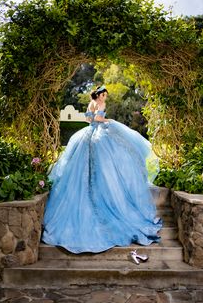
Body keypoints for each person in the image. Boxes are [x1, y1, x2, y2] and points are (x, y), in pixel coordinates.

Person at [42, 85, 162, 254]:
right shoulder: (100, 105)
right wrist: (108, 121)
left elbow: (88, 120)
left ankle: (92, 188)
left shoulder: (91, 103)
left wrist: (98, 120)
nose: (104, 97)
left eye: (105, 95)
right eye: (103, 95)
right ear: (98, 95)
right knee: (106, 161)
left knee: (85, 165)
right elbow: (97, 120)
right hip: (98, 136)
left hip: (87, 134)